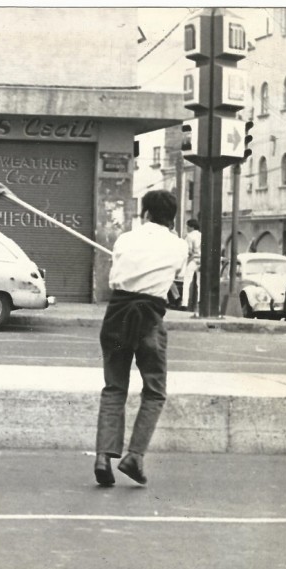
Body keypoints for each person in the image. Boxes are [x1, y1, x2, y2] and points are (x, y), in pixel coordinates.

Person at [94, 190, 187, 487]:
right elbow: (176, 280)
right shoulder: (178, 245)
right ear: (171, 218)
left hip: (117, 317)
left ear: (145, 212)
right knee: (155, 390)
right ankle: (135, 455)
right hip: (150, 319)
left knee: (114, 387)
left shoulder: (125, 240)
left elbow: (113, 281)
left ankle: (102, 456)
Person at [180, 218, 201, 310]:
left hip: (193, 260)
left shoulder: (189, 236)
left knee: (187, 282)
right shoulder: (202, 235)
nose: (187, 228)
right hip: (202, 260)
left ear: (192, 227)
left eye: (187, 226)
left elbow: (187, 250)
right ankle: (200, 303)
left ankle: (184, 303)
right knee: (200, 283)